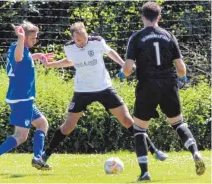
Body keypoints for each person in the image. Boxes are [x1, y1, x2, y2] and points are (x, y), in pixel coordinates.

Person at [39, 22, 167, 164]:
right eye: (78, 40)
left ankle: (154, 151)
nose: (81, 42)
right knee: (68, 126)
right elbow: (71, 61)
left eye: (83, 39)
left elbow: (110, 52)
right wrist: (51, 65)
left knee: (127, 120)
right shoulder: (69, 47)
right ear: (73, 38)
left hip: (104, 88)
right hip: (82, 91)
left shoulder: (97, 42)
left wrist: (123, 64)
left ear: (87, 34)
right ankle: (44, 156)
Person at [120, 2, 206, 182]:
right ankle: (195, 153)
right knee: (178, 124)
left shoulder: (136, 38)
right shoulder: (169, 36)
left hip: (147, 86)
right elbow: (181, 68)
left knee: (139, 130)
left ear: (143, 17)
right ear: (159, 17)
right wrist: (182, 79)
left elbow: (127, 69)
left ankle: (144, 173)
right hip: (169, 84)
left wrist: (124, 72)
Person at [0, 20, 55, 176]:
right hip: (22, 99)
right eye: (33, 37)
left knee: (42, 123)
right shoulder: (19, 48)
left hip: (22, 98)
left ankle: (37, 157)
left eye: (36, 37)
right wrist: (21, 37)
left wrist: (37, 56)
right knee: (21, 136)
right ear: (24, 37)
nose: (35, 40)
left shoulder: (18, 48)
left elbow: (22, 57)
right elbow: (18, 58)